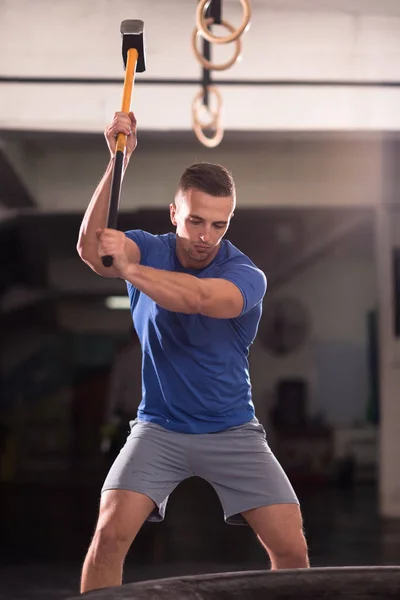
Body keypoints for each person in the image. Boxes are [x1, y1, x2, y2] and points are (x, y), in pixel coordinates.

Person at [77, 111, 310, 593]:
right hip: (158, 427)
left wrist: (127, 270)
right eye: (196, 221)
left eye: (219, 225)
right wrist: (116, 165)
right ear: (174, 214)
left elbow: (199, 299)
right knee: (108, 536)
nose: (206, 236)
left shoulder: (246, 275)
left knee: (291, 549)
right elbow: (89, 248)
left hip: (232, 430)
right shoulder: (149, 248)